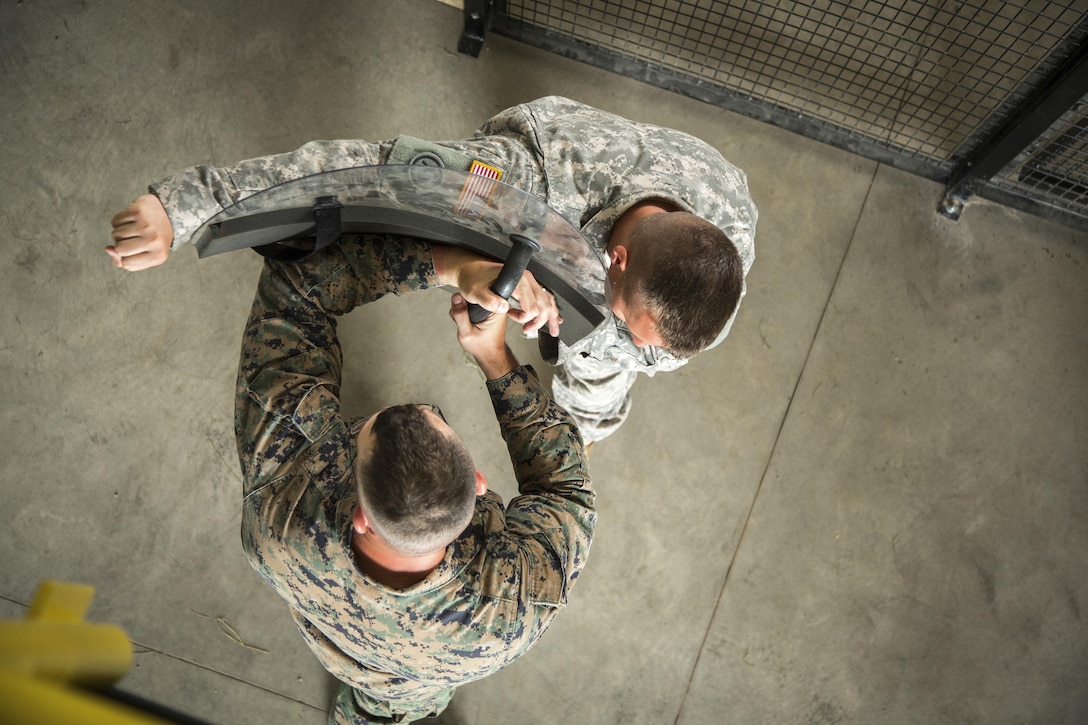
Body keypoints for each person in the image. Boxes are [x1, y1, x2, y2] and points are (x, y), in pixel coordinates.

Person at [108, 96, 757, 444]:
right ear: (616, 259)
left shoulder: (724, 231)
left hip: (617, 263)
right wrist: (186, 203)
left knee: (598, 370)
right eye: (630, 322)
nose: (639, 345)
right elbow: (370, 173)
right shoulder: (523, 185)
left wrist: (574, 422)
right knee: (430, 197)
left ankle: (583, 429)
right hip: (546, 183)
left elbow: (628, 349)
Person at [195, 230, 593, 723]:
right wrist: (493, 355)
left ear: (361, 517)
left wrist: (452, 268)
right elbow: (565, 489)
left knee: (368, 694)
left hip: (337, 641)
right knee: (401, 705)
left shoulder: (280, 521)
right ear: (478, 483)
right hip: (414, 678)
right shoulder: (506, 617)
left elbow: (294, 285)